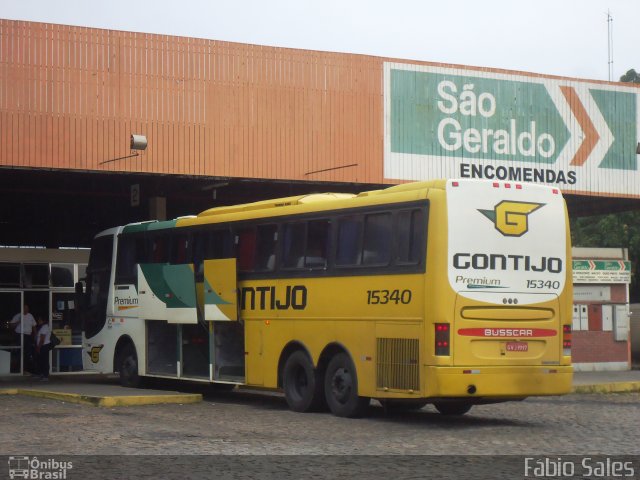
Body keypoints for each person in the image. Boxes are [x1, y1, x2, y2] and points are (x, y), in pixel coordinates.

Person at [8, 304, 37, 372]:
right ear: (22, 308)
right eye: (25, 308)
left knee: (28, 353)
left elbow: (34, 326)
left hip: (28, 336)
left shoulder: (30, 316)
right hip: (19, 335)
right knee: (19, 352)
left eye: (27, 308)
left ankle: (25, 369)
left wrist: (35, 335)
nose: (27, 309)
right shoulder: (18, 315)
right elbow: (11, 325)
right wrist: (19, 321)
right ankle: (17, 369)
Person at [34, 315, 52, 381]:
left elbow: (42, 339)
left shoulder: (45, 327)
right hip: (42, 346)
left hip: (44, 346)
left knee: (44, 361)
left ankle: (45, 375)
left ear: (43, 321)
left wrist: (38, 347)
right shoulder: (42, 327)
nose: (38, 321)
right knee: (41, 360)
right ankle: (41, 374)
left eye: (39, 320)